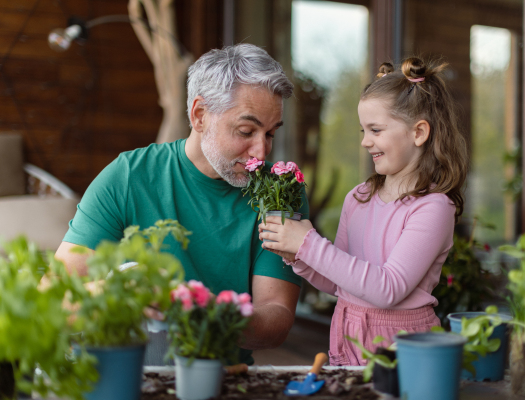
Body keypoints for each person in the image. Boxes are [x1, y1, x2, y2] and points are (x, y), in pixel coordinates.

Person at [54, 43, 308, 365]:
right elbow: (57, 299)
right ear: (200, 115)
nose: (261, 151)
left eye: (270, 133)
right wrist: (115, 293)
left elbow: (277, 318)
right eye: (246, 130)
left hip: (224, 376)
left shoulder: (281, 193)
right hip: (131, 375)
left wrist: (206, 311)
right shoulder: (129, 177)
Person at [259, 57, 468, 366]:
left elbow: (388, 289)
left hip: (403, 347)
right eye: (363, 130)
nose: (365, 142)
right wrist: (298, 257)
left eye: (376, 130)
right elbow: (338, 281)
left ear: (419, 133)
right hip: (347, 334)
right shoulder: (359, 197)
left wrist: (309, 243)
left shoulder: (433, 207)